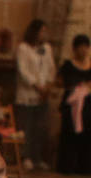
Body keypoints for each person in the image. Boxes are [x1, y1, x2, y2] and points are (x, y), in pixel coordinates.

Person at [57, 34, 91, 173]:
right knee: (69, 133)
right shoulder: (68, 65)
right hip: (71, 102)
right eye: (80, 48)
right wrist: (73, 86)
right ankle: (67, 166)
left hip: (86, 103)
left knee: (88, 133)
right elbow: (59, 81)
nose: (83, 50)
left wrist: (89, 86)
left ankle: (86, 167)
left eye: (85, 47)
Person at [15, 19, 55, 169]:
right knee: (27, 126)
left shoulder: (47, 48)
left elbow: (51, 68)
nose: (44, 34)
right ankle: (25, 156)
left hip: (43, 93)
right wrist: (37, 86)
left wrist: (48, 86)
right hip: (28, 93)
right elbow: (23, 70)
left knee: (40, 127)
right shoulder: (23, 48)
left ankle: (37, 157)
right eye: (42, 31)